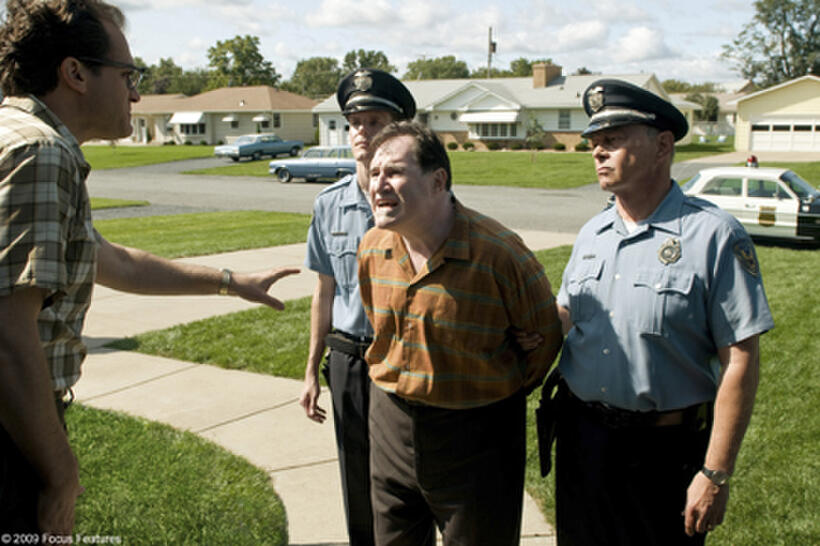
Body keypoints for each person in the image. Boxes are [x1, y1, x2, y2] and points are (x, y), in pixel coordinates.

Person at [0, 0, 297, 535]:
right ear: (75, 73)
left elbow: (109, 260)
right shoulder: (42, 153)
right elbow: (8, 332)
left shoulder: (17, 136)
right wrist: (59, 473)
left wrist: (231, 282)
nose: (136, 93)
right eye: (127, 75)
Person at [553, 79, 774, 545]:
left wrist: (714, 473)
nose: (598, 152)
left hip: (663, 453)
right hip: (584, 442)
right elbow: (565, 318)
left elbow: (741, 360)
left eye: (612, 140)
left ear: (662, 145)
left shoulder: (713, 235)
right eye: (594, 143)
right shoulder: (593, 233)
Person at [358, 121, 563, 545]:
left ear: (438, 181)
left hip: (476, 436)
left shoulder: (499, 253)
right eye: (374, 173)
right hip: (390, 423)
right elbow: (379, 330)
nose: (379, 184)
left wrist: (488, 387)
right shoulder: (372, 247)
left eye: (394, 172)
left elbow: (543, 340)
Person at [299, 68, 415, 546]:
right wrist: (310, 370)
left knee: (407, 480)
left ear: (400, 131)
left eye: (374, 120)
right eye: (354, 122)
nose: (362, 132)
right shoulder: (329, 206)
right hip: (349, 359)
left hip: (406, 358)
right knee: (355, 477)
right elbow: (325, 291)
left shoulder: (421, 199)